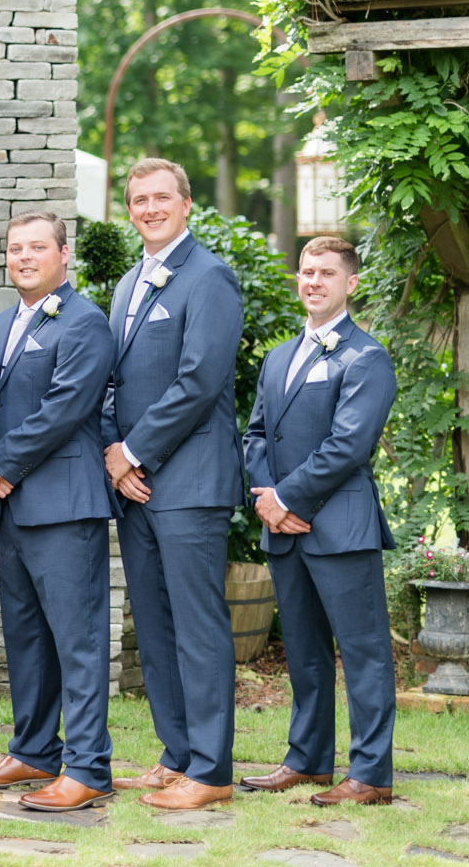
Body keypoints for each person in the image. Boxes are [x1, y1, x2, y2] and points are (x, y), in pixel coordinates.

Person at [0, 211, 118, 812]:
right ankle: (32, 749)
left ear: (63, 254)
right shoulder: (0, 325)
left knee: (77, 640)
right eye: (14, 248)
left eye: (36, 247)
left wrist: (1, 464)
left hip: (63, 503)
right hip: (11, 505)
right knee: (27, 636)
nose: (23, 257)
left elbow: (65, 409)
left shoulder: (85, 323)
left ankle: (88, 767)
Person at [102, 157, 244, 811]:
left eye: (161, 198)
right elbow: (114, 380)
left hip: (190, 482)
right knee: (155, 625)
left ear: (186, 204)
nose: (150, 208)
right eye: (138, 200)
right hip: (136, 486)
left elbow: (200, 381)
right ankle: (177, 754)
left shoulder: (209, 277)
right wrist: (115, 452)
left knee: (197, 624)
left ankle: (212, 772)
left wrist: (133, 451)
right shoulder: (129, 284)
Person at [240, 236, 399, 807]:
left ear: (350, 283)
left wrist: (289, 499)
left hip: (340, 527)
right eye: (307, 272)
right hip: (283, 528)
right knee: (304, 654)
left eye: (327, 273)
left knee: (363, 654)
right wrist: (266, 499)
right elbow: (256, 433)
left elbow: (349, 445)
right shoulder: (280, 357)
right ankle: (307, 761)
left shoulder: (367, 357)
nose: (314, 282)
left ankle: (372, 774)